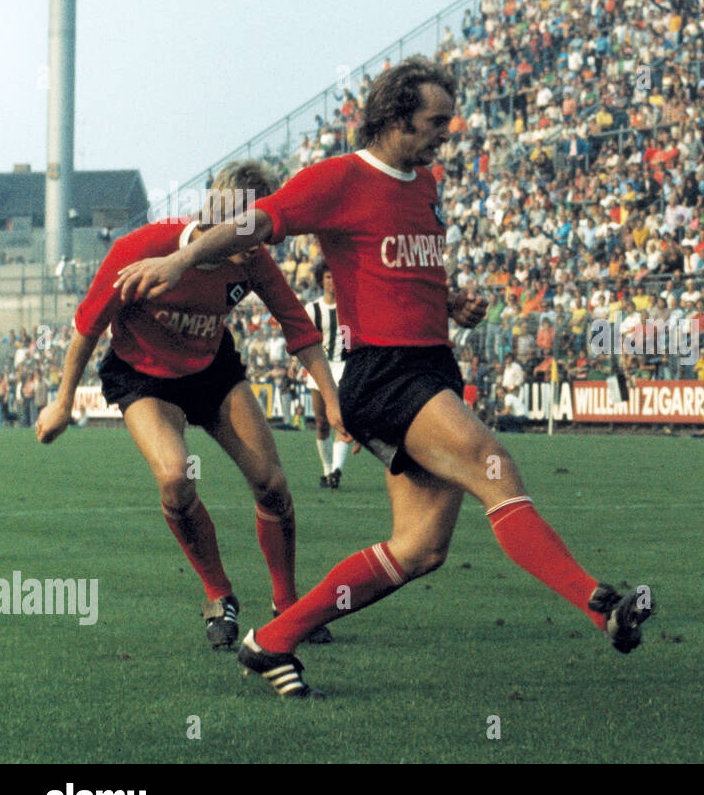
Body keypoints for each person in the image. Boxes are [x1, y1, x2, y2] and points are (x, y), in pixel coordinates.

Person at [115, 58, 653, 697]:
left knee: (420, 549)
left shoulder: (425, 182)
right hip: (386, 373)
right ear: (395, 117)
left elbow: (405, 267)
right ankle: (602, 607)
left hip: (431, 366)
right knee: (493, 465)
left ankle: (273, 640)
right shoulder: (340, 178)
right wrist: (183, 258)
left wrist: (453, 303)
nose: (445, 133)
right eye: (435, 122)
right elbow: (255, 222)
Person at [37, 161, 342, 650]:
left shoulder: (252, 257)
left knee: (272, 483)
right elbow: (87, 327)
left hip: (212, 370)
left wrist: (332, 398)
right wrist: (61, 402)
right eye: (245, 227)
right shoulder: (139, 247)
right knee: (177, 479)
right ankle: (219, 596)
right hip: (142, 376)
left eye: (258, 229)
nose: (254, 245)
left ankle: (287, 606)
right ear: (214, 209)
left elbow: (298, 327)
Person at [305, 259, 356, 488]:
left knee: (342, 420)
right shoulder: (313, 309)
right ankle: (327, 470)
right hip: (320, 368)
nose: (332, 281)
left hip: (344, 367)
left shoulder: (350, 307)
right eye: (327, 277)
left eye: (335, 276)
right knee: (321, 422)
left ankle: (336, 470)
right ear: (321, 280)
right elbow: (307, 341)